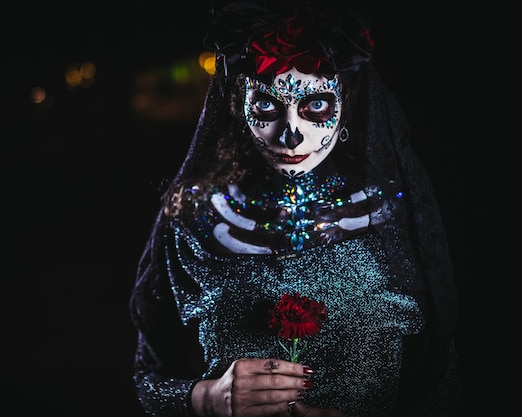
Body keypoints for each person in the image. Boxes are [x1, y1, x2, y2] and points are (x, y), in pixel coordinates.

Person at [129, 0, 460, 416]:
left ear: (347, 104)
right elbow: (149, 377)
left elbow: (439, 380)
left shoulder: (395, 217)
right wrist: (208, 397)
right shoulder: (196, 219)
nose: (291, 135)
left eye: (316, 105)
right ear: (237, 104)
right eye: (267, 105)